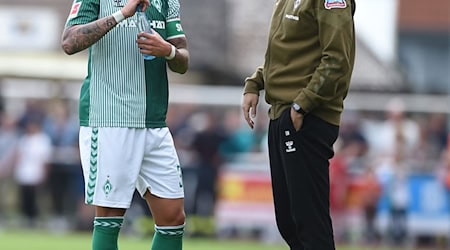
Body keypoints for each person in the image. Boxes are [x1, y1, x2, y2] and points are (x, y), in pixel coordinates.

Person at [61, 0, 189, 249]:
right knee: (110, 215)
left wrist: (169, 51)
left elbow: (183, 60)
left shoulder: (168, 1)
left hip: (154, 122)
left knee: (173, 218)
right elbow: (69, 42)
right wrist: (121, 15)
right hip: (110, 119)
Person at [241, 0, 356, 249]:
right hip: (282, 114)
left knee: (309, 224)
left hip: (306, 117)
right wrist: (255, 81)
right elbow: (286, 57)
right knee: (289, 222)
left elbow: (337, 60)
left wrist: (302, 104)